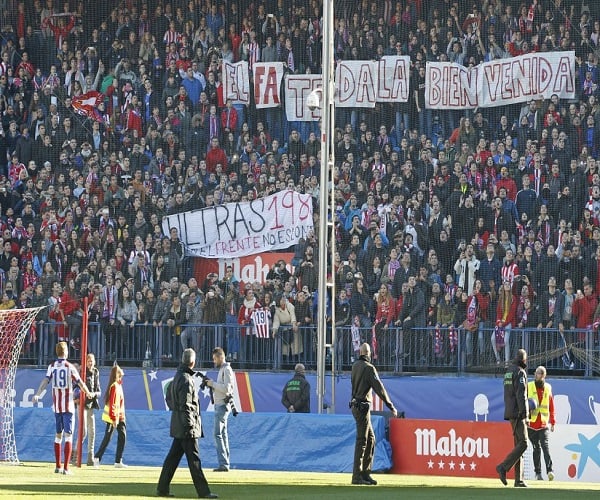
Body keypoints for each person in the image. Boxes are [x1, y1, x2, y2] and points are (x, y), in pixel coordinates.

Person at [157, 348, 218, 499]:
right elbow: (187, 405)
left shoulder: (177, 376)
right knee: (194, 460)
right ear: (193, 362)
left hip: (179, 423)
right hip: (186, 426)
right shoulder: (186, 379)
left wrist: (179, 416)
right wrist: (190, 425)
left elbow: (170, 400)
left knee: (172, 459)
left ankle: (162, 488)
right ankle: (204, 492)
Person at [32, 341, 93, 474]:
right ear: (66, 352)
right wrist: (87, 392)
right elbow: (80, 382)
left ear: (57, 352)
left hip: (57, 406)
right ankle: (66, 468)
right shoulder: (69, 366)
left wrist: (37, 394)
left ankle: (58, 466)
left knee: (58, 435)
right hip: (68, 406)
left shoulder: (52, 366)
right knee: (68, 436)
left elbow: (45, 381)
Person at [350, 343, 397, 486]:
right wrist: (390, 406)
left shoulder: (355, 366)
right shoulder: (369, 368)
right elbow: (379, 388)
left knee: (370, 439)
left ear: (360, 352)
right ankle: (357, 475)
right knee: (362, 441)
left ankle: (365, 473)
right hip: (363, 407)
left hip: (355, 405)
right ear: (369, 353)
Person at [496, 348, 529, 488]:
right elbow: (521, 395)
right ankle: (503, 467)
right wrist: (525, 413)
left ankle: (518, 480)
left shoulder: (508, 372)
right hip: (518, 413)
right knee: (524, 443)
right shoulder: (520, 372)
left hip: (510, 411)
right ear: (523, 359)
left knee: (518, 445)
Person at [93, 364, 127, 468]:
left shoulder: (118, 385)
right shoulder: (115, 386)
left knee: (122, 437)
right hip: (113, 417)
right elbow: (113, 403)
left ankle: (118, 461)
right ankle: (97, 458)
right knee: (107, 438)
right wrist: (114, 418)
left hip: (120, 416)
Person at [206, 347, 234, 472]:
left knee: (218, 434)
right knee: (222, 434)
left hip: (222, 405)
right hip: (221, 404)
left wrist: (212, 384)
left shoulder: (226, 370)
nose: (214, 361)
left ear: (220, 357)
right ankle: (225, 462)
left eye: (215, 358)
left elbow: (227, 389)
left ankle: (223, 463)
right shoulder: (223, 370)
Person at [527, 365, 555, 481]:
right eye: (536, 373)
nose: (536, 375)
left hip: (543, 423)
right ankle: (538, 473)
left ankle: (550, 470)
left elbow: (551, 406)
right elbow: (523, 402)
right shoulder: (529, 386)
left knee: (545, 447)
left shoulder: (548, 388)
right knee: (536, 448)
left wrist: (553, 422)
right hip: (531, 424)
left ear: (543, 376)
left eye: (538, 373)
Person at [82, 353, 101, 466]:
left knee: (92, 431)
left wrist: (93, 394)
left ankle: (90, 456)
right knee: (83, 431)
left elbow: (99, 390)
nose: (90, 363)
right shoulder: (83, 372)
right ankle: (75, 453)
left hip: (91, 404)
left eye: (92, 361)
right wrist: (85, 393)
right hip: (83, 404)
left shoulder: (96, 372)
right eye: (88, 361)